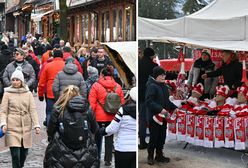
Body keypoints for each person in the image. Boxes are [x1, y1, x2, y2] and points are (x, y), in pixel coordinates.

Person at [44, 85, 99, 168]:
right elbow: (95, 128)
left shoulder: (58, 109)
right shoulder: (87, 109)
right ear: (78, 94)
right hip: (85, 150)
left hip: (60, 150)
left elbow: (50, 130)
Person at [0, 70, 40, 168]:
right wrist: (3, 123)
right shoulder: (7, 93)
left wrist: (36, 125)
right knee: (15, 154)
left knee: (24, 154)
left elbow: (33, 110)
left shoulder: (28, 93)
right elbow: (3, 111)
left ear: (21, 81)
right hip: (12, 125)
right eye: (13, 80)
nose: (15, 82)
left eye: (17, 80)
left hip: (26, 126)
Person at [89, 67, 125, 166]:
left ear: (102, 75)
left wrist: (90, 116)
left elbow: (92, 103)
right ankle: (108, 160)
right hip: (112, 117)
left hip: (98, 117)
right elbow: (122, 102)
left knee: (97, 138)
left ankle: (96, 157)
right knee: (109, 138)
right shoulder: (118, 86)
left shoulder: (96, 86)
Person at [145, 66, 177, 165]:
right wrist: (160, 109)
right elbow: (149, 102)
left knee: (162, 136)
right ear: (156, 76)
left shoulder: (163, 86)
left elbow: (166, 101)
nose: (163, 77)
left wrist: (174, 107)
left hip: (163, 117)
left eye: (164, 75)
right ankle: (150, 156)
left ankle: (159, 155)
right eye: (161, 75)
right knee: (154, 137)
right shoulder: (152, 86)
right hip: (155, 117)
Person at [100, 87, 137, 168]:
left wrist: (103, 131)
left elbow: (113, 128)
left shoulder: (123, 110)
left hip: (122, 148)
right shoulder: (141, 111)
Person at [38, 49, 65, 126]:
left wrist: (40, 94)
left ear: (53, 56)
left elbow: (42, 82)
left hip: (50, 92)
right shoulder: (65, 65)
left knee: (50, 112)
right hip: (63, 93)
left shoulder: (48, 66)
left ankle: (50, 131)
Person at [138, 47, 158, 149]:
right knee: (152, 118)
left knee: (142, 118)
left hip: (140, 94)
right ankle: (153, 141)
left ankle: (142, 141)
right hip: (151, 95)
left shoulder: (138, 64)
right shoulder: (154, 66)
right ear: (151, 55)